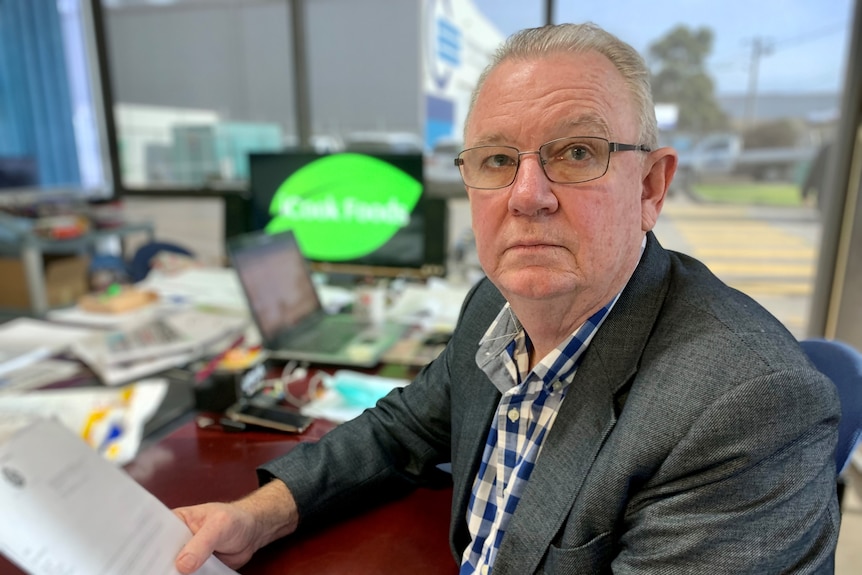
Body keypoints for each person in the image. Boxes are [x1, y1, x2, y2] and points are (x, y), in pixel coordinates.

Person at [174, 23, 840, 574]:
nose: (527, 195)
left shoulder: (749, 407)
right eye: (496, 160)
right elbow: (399, 429)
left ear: (651, 188)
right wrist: (255, 517)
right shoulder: (493, 307)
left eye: (578, 152)